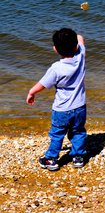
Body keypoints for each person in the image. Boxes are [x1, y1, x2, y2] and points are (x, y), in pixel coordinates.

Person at [26, 28, 87, 171]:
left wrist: (31, 92)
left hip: (62, 109)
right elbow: (80, 38)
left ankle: (51, 159)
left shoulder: (56, 68)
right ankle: (78, 157)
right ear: (76, 46)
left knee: (57, 134)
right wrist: (75, 37)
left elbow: (43, 84)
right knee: (78, 131)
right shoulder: (81, 56)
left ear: (55, 49)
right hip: (80, 107)